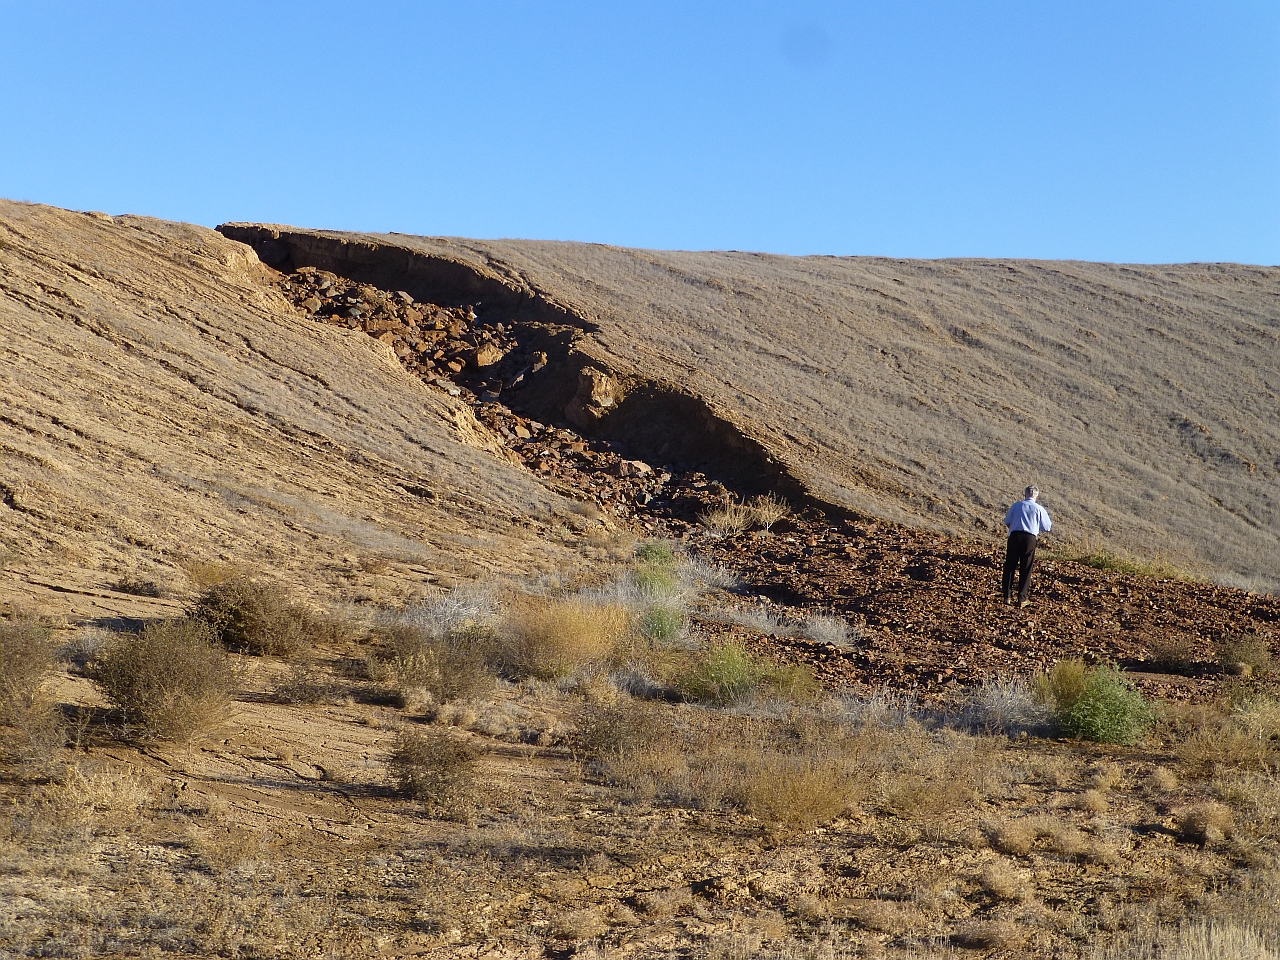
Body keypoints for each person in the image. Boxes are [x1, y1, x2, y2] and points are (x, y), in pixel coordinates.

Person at [1002, 485, 1052, 608]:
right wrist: (1035, 526)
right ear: (1036, 496)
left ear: (1024, 494)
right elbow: (1047, 527)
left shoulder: (1016, 505)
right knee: (1026, 567)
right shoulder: (1039, 509)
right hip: (1030, 538)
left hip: (1014, 536)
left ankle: (1007, 596)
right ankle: (1022, 598)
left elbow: (1007, 521)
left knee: (1010, 565)